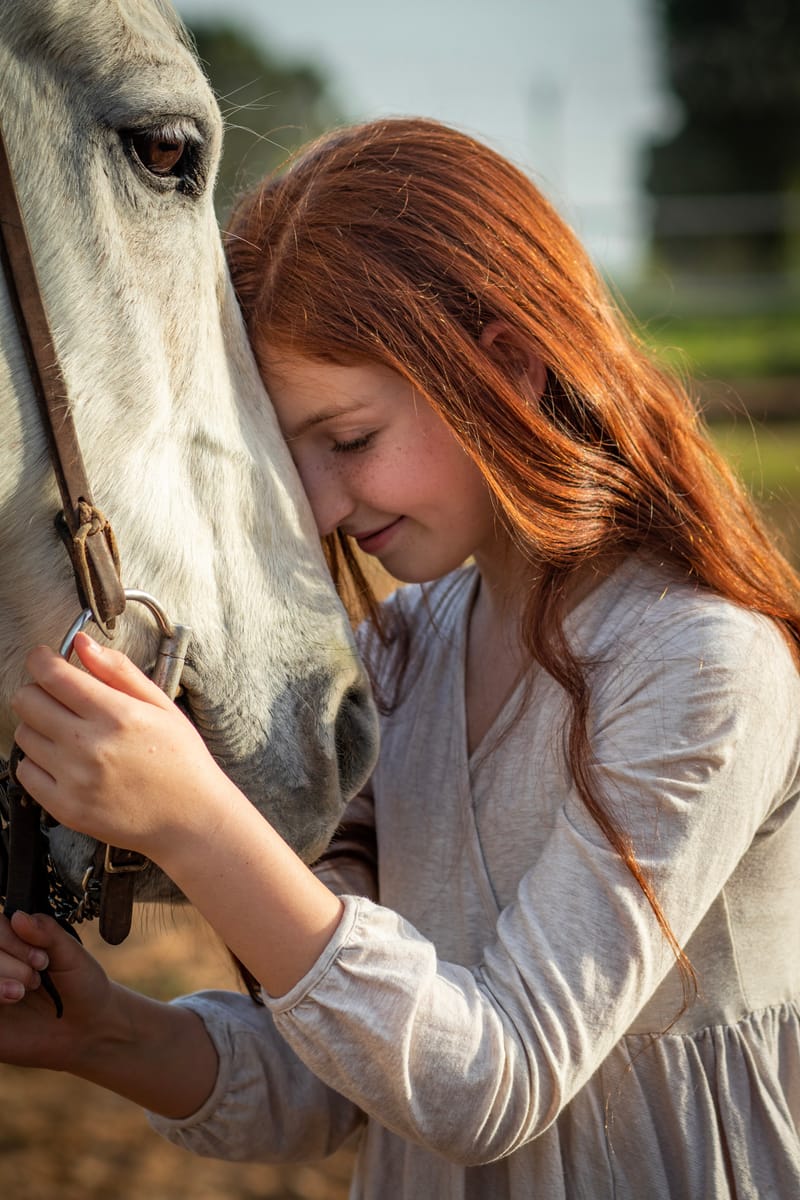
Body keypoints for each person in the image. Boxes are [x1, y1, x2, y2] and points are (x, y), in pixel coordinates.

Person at [2, 116, 799, 1199]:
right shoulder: (401, 652)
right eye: (293, 463)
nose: (322, 505)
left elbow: (489, 1085)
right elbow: (356, 1074)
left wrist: (193, 818)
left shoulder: (701, 665)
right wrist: (106, 1036)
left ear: (507, 365)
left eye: (349, 441)